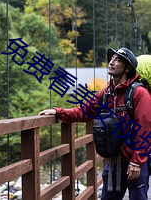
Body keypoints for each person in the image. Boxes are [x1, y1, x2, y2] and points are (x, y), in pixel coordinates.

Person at [38, 47, 151, 200]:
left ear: (128, 68)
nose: (111, 62)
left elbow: (145, 129)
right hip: (114, 161)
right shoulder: (106, 93)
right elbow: (84, 111)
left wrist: (137, 162)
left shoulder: (139, 93)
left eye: (117, 60)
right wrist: (58, 112)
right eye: (111, 59)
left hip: (134, 161)